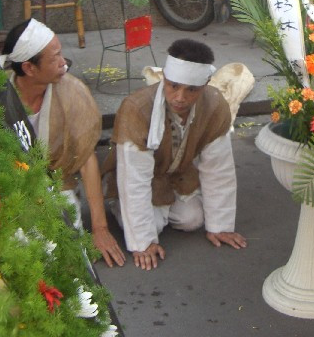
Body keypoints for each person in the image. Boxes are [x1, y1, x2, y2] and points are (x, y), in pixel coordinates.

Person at [104, 39, 247, 271]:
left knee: (193, 220)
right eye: (173, 86)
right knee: (154, 226)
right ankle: (119, 206)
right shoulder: (136, 108)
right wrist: (144, 242)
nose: (180, 97)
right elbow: (134, 179)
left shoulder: (214, 104)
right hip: (143, 179)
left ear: (205, 85)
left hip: (178, 176)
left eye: (191, 89)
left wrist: (220, 225)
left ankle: (159, 209)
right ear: (164, 79)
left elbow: (218, 168)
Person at [0, 19, 126, 268]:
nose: (63, 63)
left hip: (57, 185)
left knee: (62, 250)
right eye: (55, 57)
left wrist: (100, 229)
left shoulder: (73, 93)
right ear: (29, 68)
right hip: (8, 187)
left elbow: (87, 158)